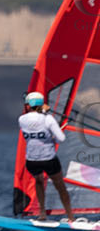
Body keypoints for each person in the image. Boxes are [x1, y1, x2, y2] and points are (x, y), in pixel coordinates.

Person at [19, 91, 75, 221]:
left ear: (28, 105)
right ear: (41, 104)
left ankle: (42, 214)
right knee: (60, 187)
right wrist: (52, 136)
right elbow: (61, 138)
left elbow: (33, 122)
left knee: (39, 181)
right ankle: (71, 217)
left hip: (32, 161)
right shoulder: (48, 118)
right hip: (49, 159)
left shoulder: (21, 119)